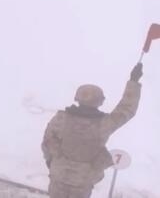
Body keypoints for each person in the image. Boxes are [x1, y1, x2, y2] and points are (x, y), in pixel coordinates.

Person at [42, 63, 144, 198]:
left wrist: (54, 162)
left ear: (77, 98)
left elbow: (47, 142)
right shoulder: (104, 124)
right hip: (83, 181)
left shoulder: (61, 118)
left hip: (58, 176)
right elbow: (126, 110)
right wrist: (134, 81)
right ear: (100, 101)